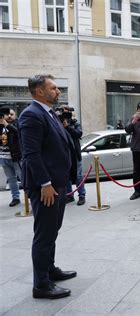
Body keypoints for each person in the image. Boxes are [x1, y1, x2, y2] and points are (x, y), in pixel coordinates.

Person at [18, 74, 76, 299]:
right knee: (44, 234)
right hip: (46, 186)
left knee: (52, 230)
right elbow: (31, 154)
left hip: (56, 184)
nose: (58, 91)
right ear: (39, 91)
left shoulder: (48, 113)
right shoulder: (31, 115)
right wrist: (45, 183)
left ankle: (49, 269)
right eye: (54, 88)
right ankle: (41, 285)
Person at [61, 106, 86, 206]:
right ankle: (69, 195)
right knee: (66, 176)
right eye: (64, 113)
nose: (65, 115)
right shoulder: (58, 123)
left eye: (67, 113)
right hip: (64, 154)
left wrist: (67, 127)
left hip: (75, 154)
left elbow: (78, 134)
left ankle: (82, 195)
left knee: (78, 176)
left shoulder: (75, 124)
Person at [0, 107, 22, 207]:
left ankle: (30, 195)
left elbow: (19, 133)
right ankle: (15, 197)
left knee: (23, 178)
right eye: (7, 114)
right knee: (11, 179)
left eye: (11, 114)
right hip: (4, 157)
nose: (9, 116)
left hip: (16, 157)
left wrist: (7, 125)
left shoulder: (18, 124)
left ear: (15, 115)